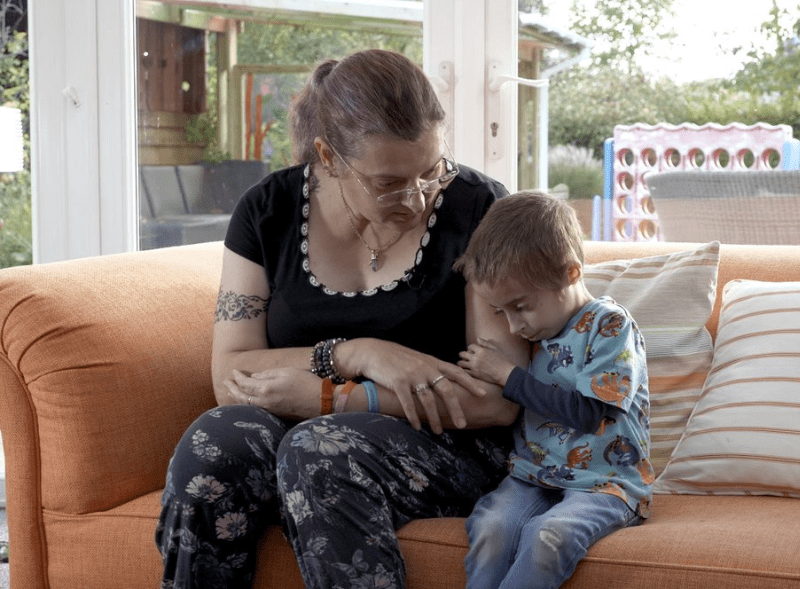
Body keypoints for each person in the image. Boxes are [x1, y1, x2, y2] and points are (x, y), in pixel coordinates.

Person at [155, 49, 529, 589]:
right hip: (295, 424)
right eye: (389, 182)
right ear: (329, 157)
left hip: (444, 439)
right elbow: (231, 373)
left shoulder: (480, 210)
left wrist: (334, 399)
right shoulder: (267, 211)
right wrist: (359, 353)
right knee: (217, 442)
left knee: (317, 452)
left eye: (431, 172)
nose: (419, 198)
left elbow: (498, 398)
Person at [454, 192, 653, 589]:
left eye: (521, 307)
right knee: (492, 529)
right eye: (501, 312)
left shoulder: (610, 327)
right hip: (534, 475)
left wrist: (508, 376)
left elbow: (589, 413)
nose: (513, 327)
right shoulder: (537, 328)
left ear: (570, 274)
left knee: (550, 536)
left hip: (606, 480)